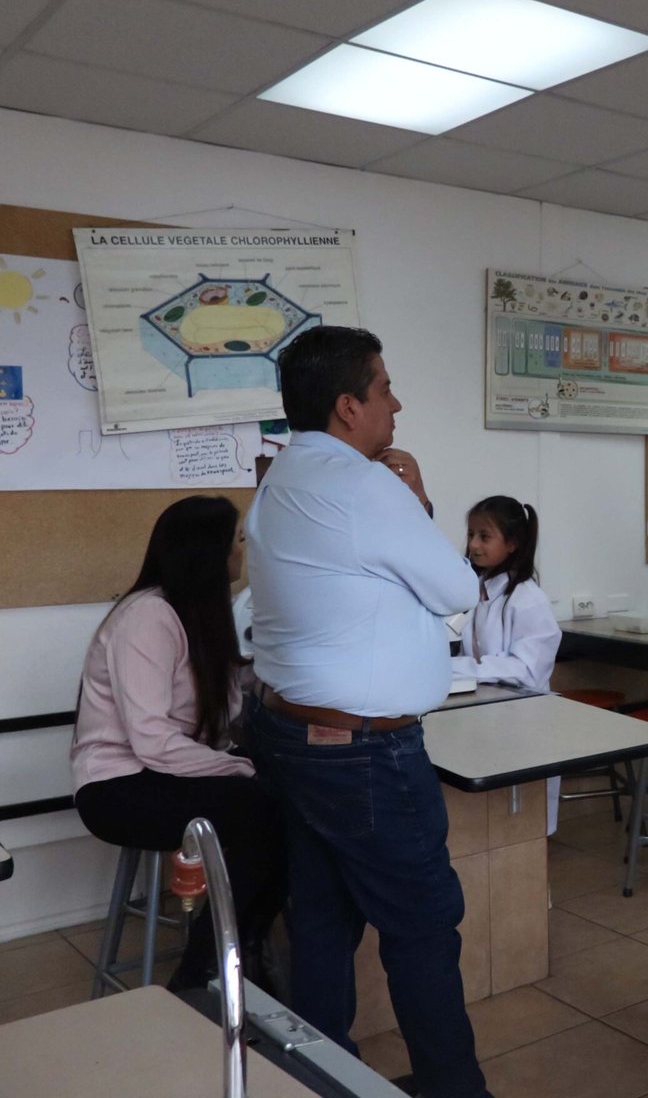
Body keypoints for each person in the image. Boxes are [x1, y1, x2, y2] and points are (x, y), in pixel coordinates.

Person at [244, 325, 488, 1098]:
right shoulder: (368, 487)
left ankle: (323, 1078)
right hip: (364, 755)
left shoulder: (280, 477)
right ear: (349, 406)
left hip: (290, 735)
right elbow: (459, 589)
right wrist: (418, 501)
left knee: (320, 918)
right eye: (384, 389)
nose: (396, 404)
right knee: (423, 928)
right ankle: (454, 1090)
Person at [71, 495, 285, 993]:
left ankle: (242, 949)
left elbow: (231, 691)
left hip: (165, 770)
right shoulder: (147, 617)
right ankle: (202, 972)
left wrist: (286, 672)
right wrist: (237, 768)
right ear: (207, 552)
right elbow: (152, 740)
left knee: (289, 800)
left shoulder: (198, 613)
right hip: (116, 787)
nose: (243, 551)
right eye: (237, 541)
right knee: (260, 808)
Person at [457, 495, 562, 832]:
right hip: (488, 715)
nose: (473, 545)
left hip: (524, 722)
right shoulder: (479, 590)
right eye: (471, 535)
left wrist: (460, 670)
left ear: (513, 543)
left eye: (484, 536)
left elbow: (526, 670)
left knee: (523, 822)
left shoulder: (527, 599)